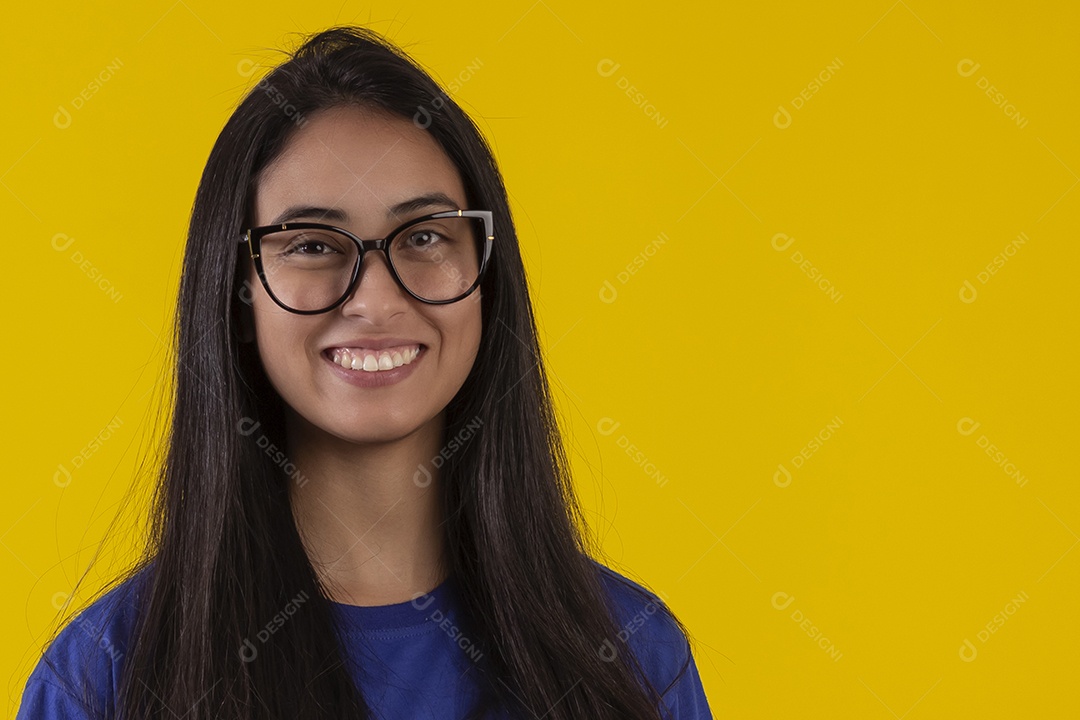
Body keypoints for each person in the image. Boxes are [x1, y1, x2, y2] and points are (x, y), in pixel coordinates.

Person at [16, 25, 714, 720]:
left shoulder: (632, 655)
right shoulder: (105, 677)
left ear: (487, 278)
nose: (376, 299)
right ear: (237, 290)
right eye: (313, 243)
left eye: (425, 237)